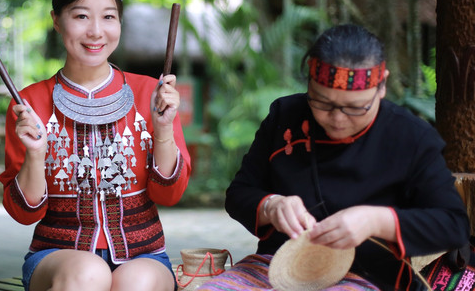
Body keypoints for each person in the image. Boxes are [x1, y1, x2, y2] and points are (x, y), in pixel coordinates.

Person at [198, 24, 470, 291]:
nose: (338, 119)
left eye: (355, 107)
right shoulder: (285, 117)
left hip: (370, 276)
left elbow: (452, 226)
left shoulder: (411, 137)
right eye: (322, 103)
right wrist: (271, 205)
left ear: (382, 86)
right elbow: (239, 194)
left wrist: (376, 221)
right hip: (279, 266)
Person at [0, 0, 191, 291]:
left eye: (108, 17)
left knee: (137, 282)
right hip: (57, 257)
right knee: (88, 274)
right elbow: (23, 214)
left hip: (143, 255)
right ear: (57, 20)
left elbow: (170, 194)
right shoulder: (29, 104)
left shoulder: (152, 93)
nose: (96, 31)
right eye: (81, 16)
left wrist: (162, 131)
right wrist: (34, 154)